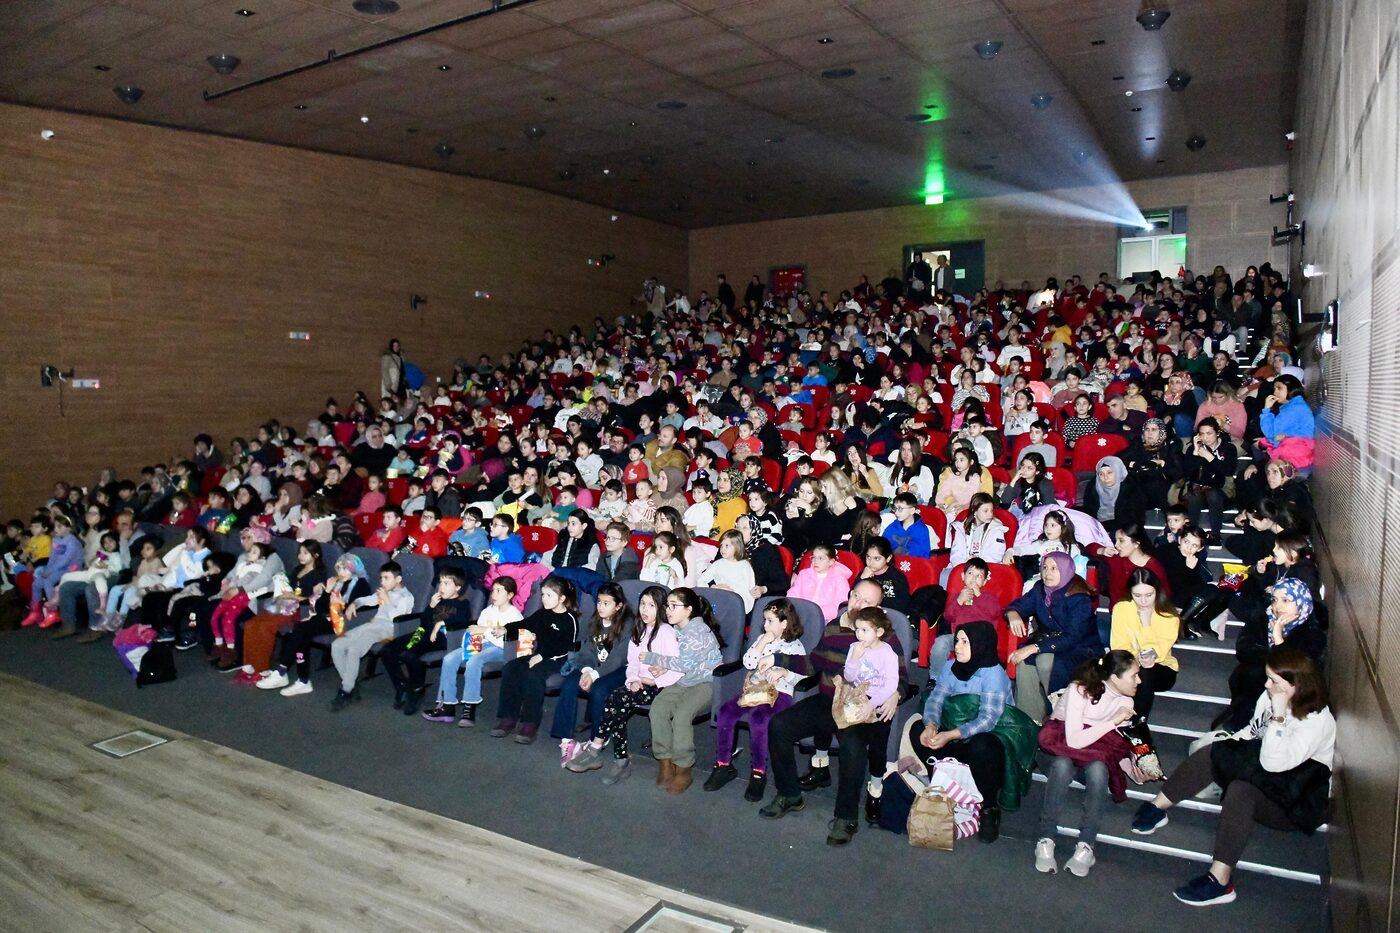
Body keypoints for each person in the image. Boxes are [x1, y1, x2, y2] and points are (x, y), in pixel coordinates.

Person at [1132, 647, 1335, 907]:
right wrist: (1228, 747)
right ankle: (1159, 805)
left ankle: (1220, 880)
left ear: (1297, 686)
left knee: (1240, 790)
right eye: (1268, 677)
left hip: (1294, 801)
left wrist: (1280, 716)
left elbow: (1274, 763)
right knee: (1216, 752)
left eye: (1274, 681)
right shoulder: (1270, 695)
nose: (1266, 684)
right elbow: (1251, 734)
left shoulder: (1316, 720)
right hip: (1268, 776)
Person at [760, 581, 903, 822]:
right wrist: (777, 659)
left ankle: (846, 818)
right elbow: (813, 662)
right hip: (829, 701)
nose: (858, 603)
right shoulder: (834, 626)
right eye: (856, 596)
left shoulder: (883, 636)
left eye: (867, 602)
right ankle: (789, 795)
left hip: (860, 708)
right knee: (779, 726)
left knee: (853, 746)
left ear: (878, 608)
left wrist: (897, 692)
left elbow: (901, 674)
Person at [903, 621, 1017, 843]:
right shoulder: (950, 667)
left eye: (965, 642)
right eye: (957, 641)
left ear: (980, 644)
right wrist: (932, 726)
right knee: (918, 730)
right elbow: (936, 698)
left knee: (983, 745)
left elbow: (988, 720)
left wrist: (950, 735)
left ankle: (989, 807)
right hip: (955, 731)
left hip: (988, 736)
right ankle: (943, 790)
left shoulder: (993, 673)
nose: (958, 647)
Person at [1034, 650, 1141, 876]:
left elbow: (1110, 745)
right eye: (1134, 675)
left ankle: (1086, 845)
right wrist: (1112, 721)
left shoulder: (1126, 700)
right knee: (1063, 765)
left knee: (1099, 769)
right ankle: (1046, 838)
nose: (1138, 681)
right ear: (1114, 678)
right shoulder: (1079, 690)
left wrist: (1132, 767)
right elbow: (1073, 740)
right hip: (1055, 750)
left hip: (1089, 756)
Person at [566, 586, 681, 784]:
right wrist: (633, 679)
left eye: (651, 606)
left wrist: (654, 680)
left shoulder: (666, 632)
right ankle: (620, 759)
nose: (645, 610)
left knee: (616, 700)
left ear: (661, 608)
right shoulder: (640, 629)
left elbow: (677, 668)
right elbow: (632, 662)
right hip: (639, 683)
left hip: (660, 686)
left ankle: (598, 749)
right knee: (616, 701)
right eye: (643, 604)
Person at [704, 598, 809, 802]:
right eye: (764, 620)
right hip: (754, 690)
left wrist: (784, 673)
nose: (765, 625)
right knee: (726, 712)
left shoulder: (795, 646)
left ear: (784, 623)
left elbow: (802, 675)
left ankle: (758, 772)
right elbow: (748, 662)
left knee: (759, 719)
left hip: (780, 694)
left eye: (770, 621)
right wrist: (761, 642)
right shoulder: (763, 639)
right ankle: (723, 765)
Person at [822, 606, 901, 846]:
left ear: (878, 631)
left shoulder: (888, 653)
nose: (859, 635)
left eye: (865, 630)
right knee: (852, 740)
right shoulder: (854, 649)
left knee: (878, 747)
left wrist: (874, 703)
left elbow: (891, 684)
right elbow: (850, 676)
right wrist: (854, 659)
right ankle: (847, 811)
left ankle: (876, 784)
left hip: (878, 704)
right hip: (858, 700)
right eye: (857, 630)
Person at [1005, 552, 1100, 723]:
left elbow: (1073, 637)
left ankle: (1060, 712)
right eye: (1045, 568)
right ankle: (1031, 720)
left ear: (1066, 570)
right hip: (1050, 643)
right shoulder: (1040, 590)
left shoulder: (1079, 597)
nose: (1048, 573)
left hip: (1082, 650)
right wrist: (1013, 613)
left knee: (1042, 659)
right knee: (1024, 660)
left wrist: (1034, 647)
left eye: (1054, 569)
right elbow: (1018, 605)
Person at [262, 553, 373, 697]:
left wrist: (337, 604)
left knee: (302, 630)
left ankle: (288, 674)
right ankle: (298, 678)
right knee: (301, 630)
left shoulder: (361, 584)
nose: (341, 573)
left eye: (345, 569)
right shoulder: (336, 583)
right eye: (339, 569)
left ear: (354, 570)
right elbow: (320, 608)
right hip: (328, 620)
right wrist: (327, 592)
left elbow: (354, 612)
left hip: (346, 623)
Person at [490, 576, 582, 744]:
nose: (544, 599)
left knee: (534, 674)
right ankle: (508, 717)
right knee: (511, 668)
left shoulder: (570, 620)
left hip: (559, 659)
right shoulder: (543, 614)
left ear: (562, 598)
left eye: (549, 595)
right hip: (540, 655)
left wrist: (541, 656)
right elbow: (525, 623)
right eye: (543, 595)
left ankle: (529, 723)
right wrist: (506, 628)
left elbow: (566, 646)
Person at [420, 577, 522, 726]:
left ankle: (469, 706)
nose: (494, 594)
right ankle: (447, 705)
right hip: (482, 645)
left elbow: (508, 640)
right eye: (493, 590)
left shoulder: (515, 615)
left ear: (510, 595)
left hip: (501, 649)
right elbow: (477, 633)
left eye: (499, 591)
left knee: (474, 661)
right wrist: (472, 639)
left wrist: (484, 631)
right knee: (449, 658)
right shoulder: (487, 611)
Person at [380, 567, 474, 716]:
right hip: (423, 633)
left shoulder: (463, 604)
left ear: (458, 587)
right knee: (387, 650)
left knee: (410, 655)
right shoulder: (436, 601)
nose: (441, 587)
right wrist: (430, 606)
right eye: (441, 583)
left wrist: (441, 623)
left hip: (441, 638)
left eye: (446, 584)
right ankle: (402, 685)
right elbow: (423, 623)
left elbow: (461, 621)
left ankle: (416, 689)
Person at [549, 582, 634, 741]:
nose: (601, 606)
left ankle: (599, 735)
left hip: (619, 669)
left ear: (618, 606)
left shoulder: (627, 624)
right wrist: (587, 669)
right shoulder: (594, 620)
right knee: (569, 683)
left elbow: (618, 658)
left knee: (599, 689)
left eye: (606, 603)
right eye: (599, 602)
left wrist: (594, 675)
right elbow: (588, 649)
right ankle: (564, 736)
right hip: (595, 666)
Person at [328, 560, 416, 710]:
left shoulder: (407, 597)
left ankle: (345, 691)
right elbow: (367, 600)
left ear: (398, 579)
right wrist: (354, 604)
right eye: (381, 578)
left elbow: (398, 618)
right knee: (337, 645)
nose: (382, 581)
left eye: (386, 578)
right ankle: (350, 684)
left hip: (388, 629)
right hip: (372, 625)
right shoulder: (384, 592)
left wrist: (386, 600)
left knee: (354, 649)